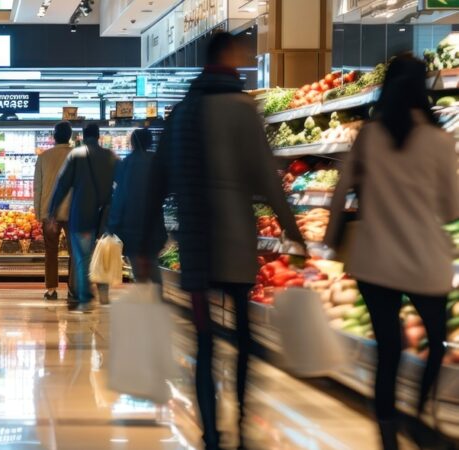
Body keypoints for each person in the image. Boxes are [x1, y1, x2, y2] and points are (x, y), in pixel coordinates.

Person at [160, 32, 306, 449]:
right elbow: (266, 176)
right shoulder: (244, 110)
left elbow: (160, 176)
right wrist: (292, 230)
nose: (245, 60)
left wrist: (143, 240)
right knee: (243, 338)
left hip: (198, 247)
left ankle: (210, 430)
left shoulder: (183, 113)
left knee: (205, 342)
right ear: (227, 56)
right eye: (241, 54)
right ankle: (239, 424)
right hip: (238, 243)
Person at [324, 55, 459, 450]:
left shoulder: (369, 135)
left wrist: (331, 242)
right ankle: (419, 418)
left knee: (388, 352)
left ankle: (388, 437)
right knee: (436, 341)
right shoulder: (438, 140)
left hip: (374, 259)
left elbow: (339, 195)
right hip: (423, 260)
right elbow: (452, 208)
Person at [48, 123, 118, 313]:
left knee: (82, 259)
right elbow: (122, 184)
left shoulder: (76, 155)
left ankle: (85, 299)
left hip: (81, 216)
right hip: (105, 218)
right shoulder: (110, 156)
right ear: (99, 137)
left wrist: (53, 211)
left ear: (83, 136)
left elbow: (62, 184)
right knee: (103, 254)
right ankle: (103, 291)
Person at [107, 128, 167, 284]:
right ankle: (156, 302)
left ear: (132, 143)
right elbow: (165, 191)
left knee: (140, 273)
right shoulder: (157, 161)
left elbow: (120, 197)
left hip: (131, 226)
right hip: (154, 225)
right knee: (153, 267)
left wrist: (112, 226)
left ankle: (144, 303)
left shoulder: (126, 164)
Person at [34, 122, 75, 300]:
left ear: (53, 137)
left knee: (51, 251)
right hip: (73, 212)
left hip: (50, 213)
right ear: (70, 136)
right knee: (75, 252)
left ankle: (51, 289)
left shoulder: (43, 157)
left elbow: (38, 188)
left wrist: (38, 213)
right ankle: (74, 289)